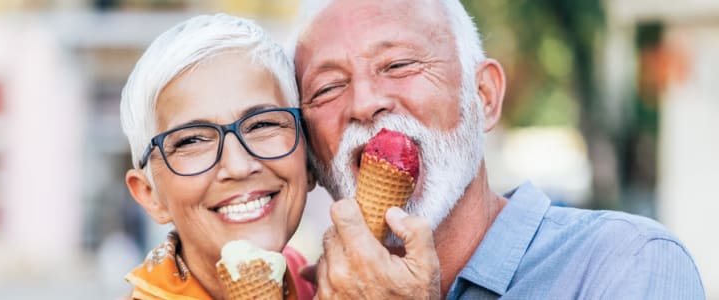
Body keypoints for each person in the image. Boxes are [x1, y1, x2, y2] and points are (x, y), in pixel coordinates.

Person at [292, 0, 705, 299]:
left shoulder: (626, 262)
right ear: (312, 155)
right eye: (327, 89)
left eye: (398, 65)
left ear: (484, 96)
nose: (365, 103)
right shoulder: (305, 291)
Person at [120, 14, 316, 299]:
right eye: (192, 140)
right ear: (150, 195)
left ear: (308, 154)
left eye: (263, 124)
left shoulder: (318, 281)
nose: (238, 166)